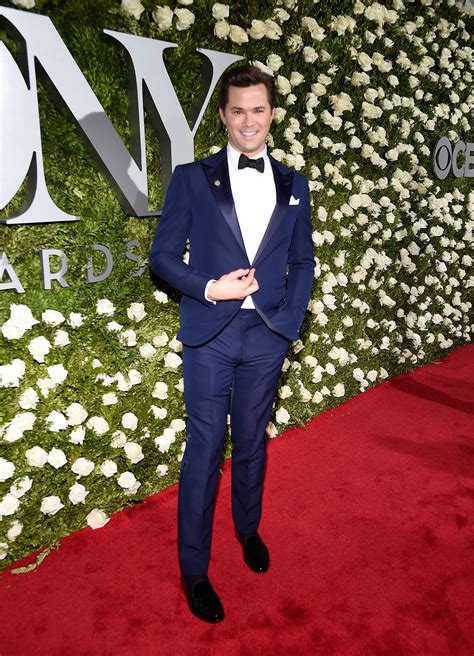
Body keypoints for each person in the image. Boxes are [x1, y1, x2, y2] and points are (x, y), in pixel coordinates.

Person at [149, 64, 314, 623]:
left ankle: (247, 529)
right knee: (203, 449)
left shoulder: (295, 184)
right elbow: (162, 257)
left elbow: (302, 258)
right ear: (223, 116)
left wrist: (290, 318)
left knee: (251, 442)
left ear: (272, 114)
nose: (249, 121)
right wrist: (209, 286)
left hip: (266, 336)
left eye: (259, 109)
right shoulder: (192, 178)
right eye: (238, 110)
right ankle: (194, 567)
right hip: (209, 334)